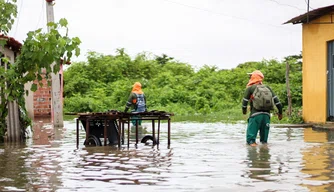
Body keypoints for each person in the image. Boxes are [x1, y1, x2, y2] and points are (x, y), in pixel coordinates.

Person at [242, 70, 283, 146]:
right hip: (266, 116)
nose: (249, 78)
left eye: (250, 76)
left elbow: (244, 103)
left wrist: (244, 112)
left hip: (255, 116)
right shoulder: (267, 88)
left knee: (251, 142)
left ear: (253, 77)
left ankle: (252, 156)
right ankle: (264, 156)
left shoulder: (250, 88)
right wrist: (280, 113)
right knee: (264, 143)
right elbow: (278, 103)